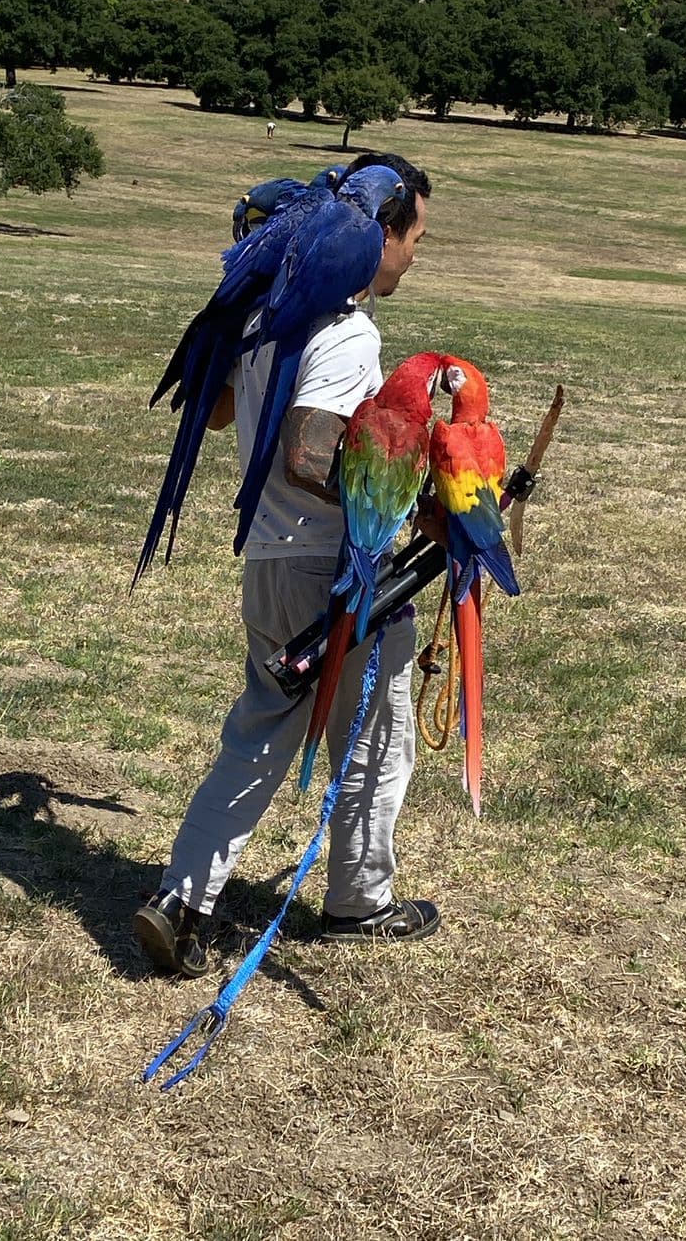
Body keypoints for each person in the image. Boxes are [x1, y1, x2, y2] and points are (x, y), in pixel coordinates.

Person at [133, 151, 438, 976]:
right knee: (374, 740)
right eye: (414, 238)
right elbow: (309, 453)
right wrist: (404, 500)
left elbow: (226, 409)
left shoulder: (265, 328)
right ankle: (359, 902)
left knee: (260, 731)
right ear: (379, 235)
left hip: (268, 559)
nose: (413, 256)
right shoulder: (343, 331)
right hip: (331, 573)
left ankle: (181, 899)